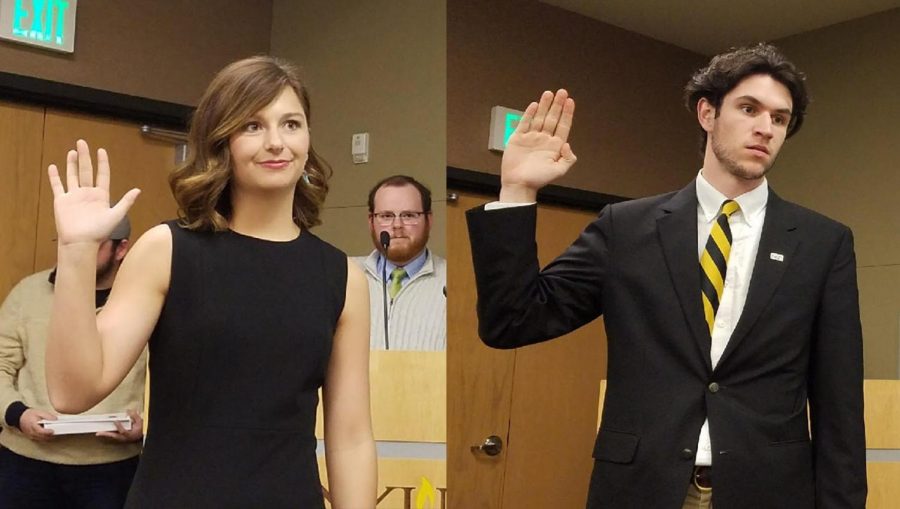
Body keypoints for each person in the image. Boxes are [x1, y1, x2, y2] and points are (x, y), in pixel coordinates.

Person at [466, 44, 866, 508]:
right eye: (749, 108)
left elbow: (839, 404)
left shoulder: (822, 243)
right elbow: (512, 321)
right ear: (707, 113)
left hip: (770, 491)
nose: (765, 128)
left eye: (779, 118)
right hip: (642, 489)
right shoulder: (626, 228)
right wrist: (517, 191)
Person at [43, 56, 376, 508]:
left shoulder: (343, 277)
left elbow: (352, 436)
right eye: (253, 126)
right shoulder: (167, 250)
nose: (276, 142)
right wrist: (78, 252)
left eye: (291, 124)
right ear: (222, 141)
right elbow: (73, 390)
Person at [0, 216, 144, 508]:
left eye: (91, 245)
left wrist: (145, 424)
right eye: (67, 244)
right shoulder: (28, 293)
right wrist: (17, 413)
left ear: (121, 249)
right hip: (25, 462)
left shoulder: (144, 301)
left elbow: (176, 378)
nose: (75, 254)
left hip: (111, 468)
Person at [354, 175, 446, 351]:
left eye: (409, 215)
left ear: (429, 220)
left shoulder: (450, 283)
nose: (397, 225)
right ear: (371, 222)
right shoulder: (345, 275)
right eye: (386, 216)